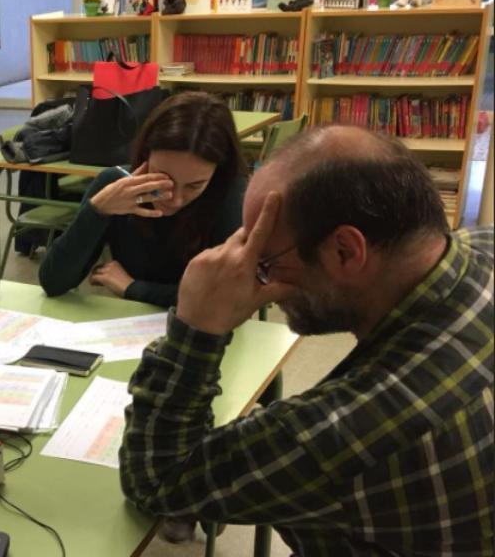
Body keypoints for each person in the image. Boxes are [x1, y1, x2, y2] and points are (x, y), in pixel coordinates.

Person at [119, 125, 493, 555]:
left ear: (344, 252)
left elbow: (156, 480)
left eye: (265, 261)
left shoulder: (348, 430)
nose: (256, 277)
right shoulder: (485, 245)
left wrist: (196, 328)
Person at [39, 91, 248, 309]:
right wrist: (96, 211)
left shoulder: (231, 193)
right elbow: (53, 283)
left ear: (217, 172)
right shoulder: (116, 185)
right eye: (164, 178)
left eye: (194, 186)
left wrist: (133, 288)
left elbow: (225, 298)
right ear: (145, 154)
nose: (175, 199)